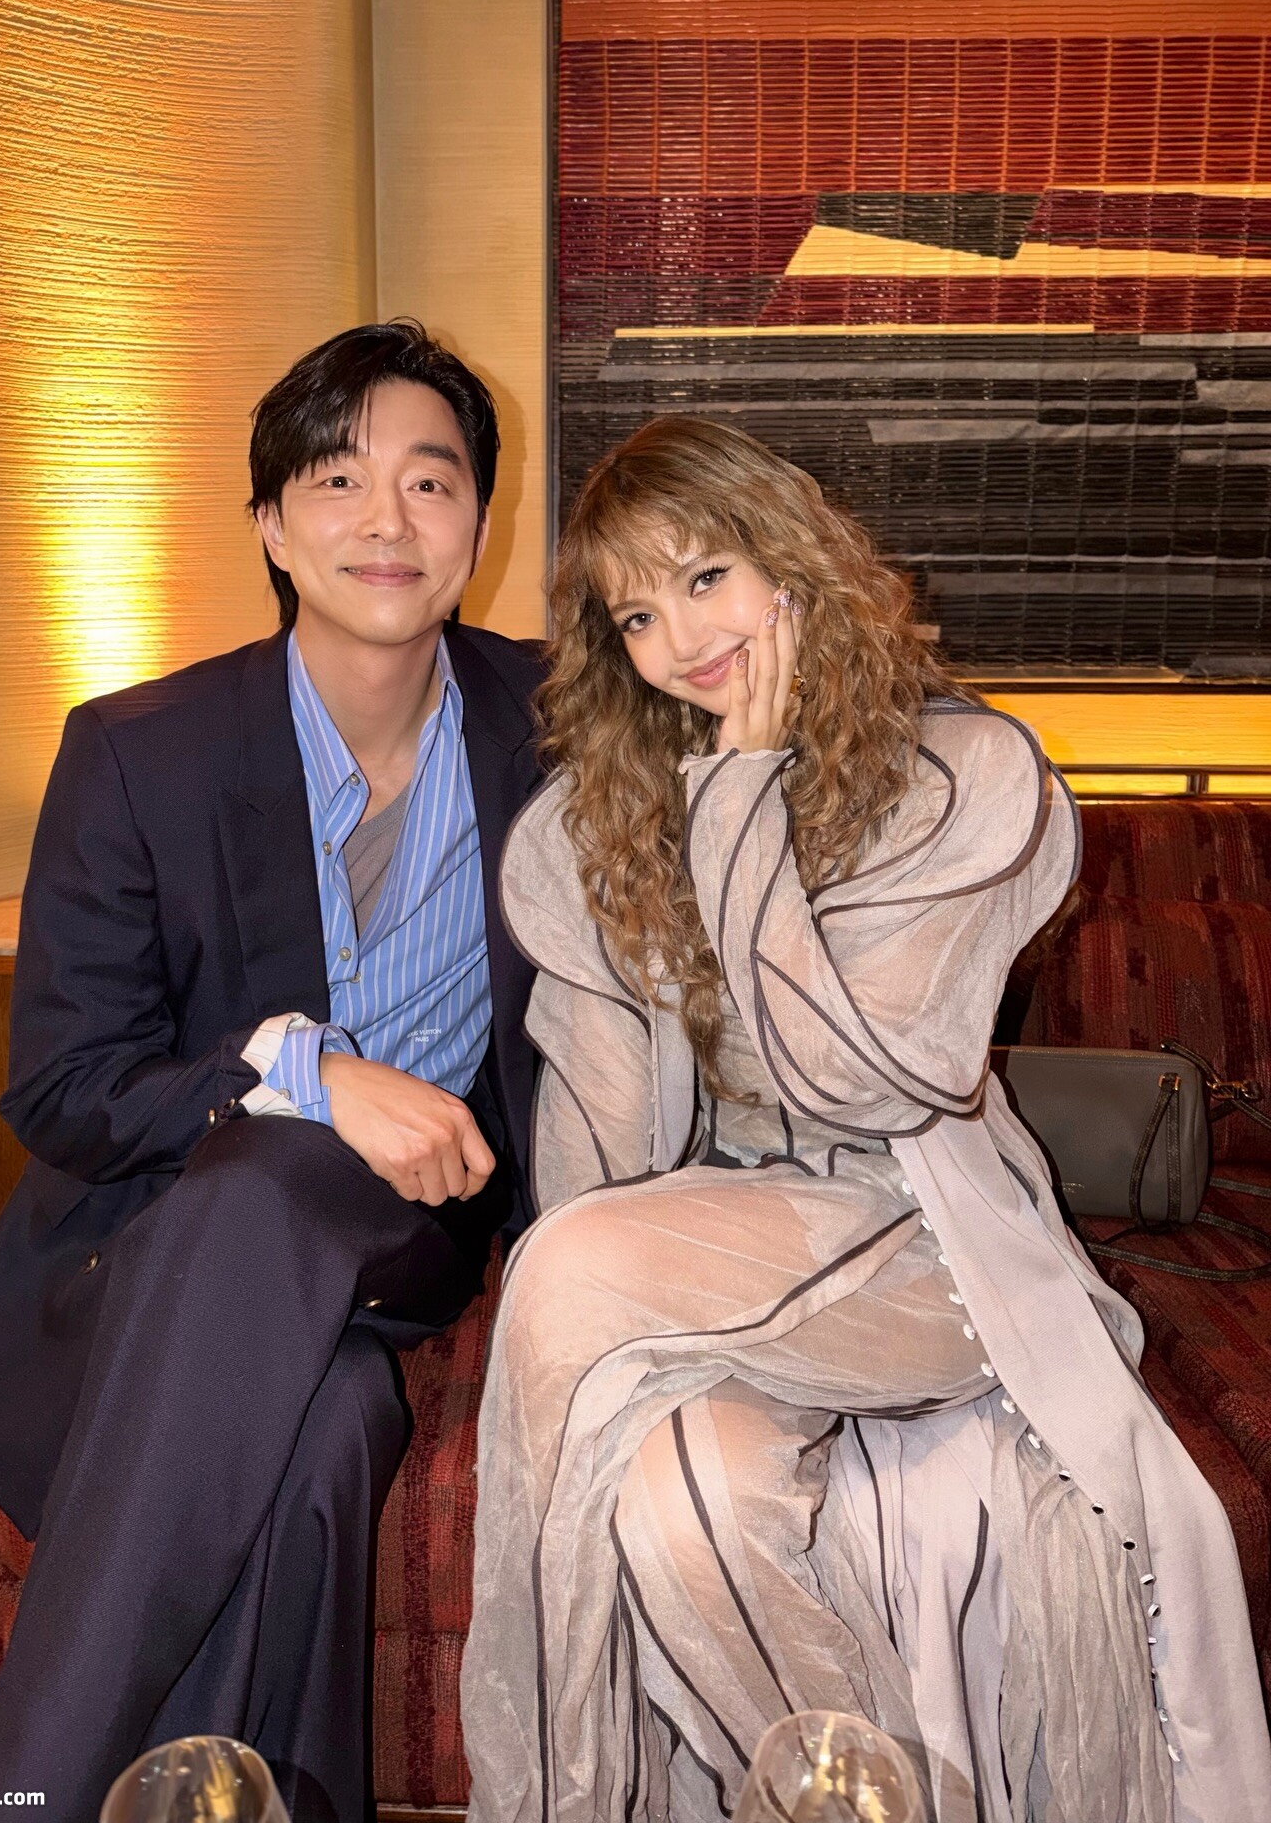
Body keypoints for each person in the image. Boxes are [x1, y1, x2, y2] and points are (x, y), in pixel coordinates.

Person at [459, 416, 1271, 1823]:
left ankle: (541, 1800)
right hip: (711, 1267)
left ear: (792, 562)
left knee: (567, 1268)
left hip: (921, 1248)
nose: (678, 642)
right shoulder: (593, 828)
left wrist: (740, 792)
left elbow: (867, 1085)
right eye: (636, 617)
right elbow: (598, 1147)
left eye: (704, 578)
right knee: (678, 1503)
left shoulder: (961, 781)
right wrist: (624, 1343)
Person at [0, 322, 543, 1821]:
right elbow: (64, 1086)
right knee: (330, 1424)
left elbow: (821, 712)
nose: (388, 520)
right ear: (273, 523)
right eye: (338, 480)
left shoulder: (562, 725)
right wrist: (304, 1075)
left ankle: (8, 1801)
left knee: (278, 1184)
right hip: (152, 1247)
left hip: (411, 1234)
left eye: (430, 480)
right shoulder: (138, 751)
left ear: (480, 519)